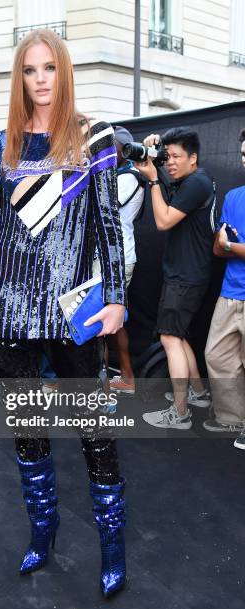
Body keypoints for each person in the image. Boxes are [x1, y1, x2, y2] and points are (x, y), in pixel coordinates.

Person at [0, 30, 127, 597]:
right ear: (20, 78)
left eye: (49, 68)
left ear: (64, 70)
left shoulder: (93, 137)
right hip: (10, 311)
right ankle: (42, 532)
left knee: (93, 430)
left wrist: (118, 298)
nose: (41, 79)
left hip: (74, 310)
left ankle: (112, 546)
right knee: (29, 433)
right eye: (30, 70)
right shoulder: (5, 143)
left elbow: (108, 228)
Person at [135, 128, 214, 430]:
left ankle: (180, 412)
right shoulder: (194, 181)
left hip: (185, 276)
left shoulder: (196, 183)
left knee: (169, 338)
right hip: (188, 274)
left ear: (193, 158)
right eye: (167, 157)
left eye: (176, 156)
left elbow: (164, 220)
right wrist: (154, 154)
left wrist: (153, 179)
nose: (170, 163)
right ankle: (198, 393)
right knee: (178, 337)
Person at [203, 128, 245, 450]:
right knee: (217, 356)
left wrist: (230, 244)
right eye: (243, 154)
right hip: (230, 291)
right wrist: (228, 244)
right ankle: (233, 419)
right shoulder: (233, 197)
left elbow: (228, 244)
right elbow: (219, 249)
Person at [107, 126, 145, 395]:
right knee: (108, 319)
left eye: (112, 148)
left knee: (110, 319)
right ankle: (121, 374)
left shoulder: (128, 177)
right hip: (111, 257)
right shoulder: (117, 174)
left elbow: (104, 207)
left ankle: (126, 377)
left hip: (118, 258)